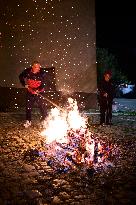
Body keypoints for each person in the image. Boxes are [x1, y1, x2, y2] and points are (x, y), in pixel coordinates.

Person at [19, 60, 47, 128]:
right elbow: (20, 76)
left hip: (39, 92)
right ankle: (28, 121)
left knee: (42, 107)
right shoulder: (27, 71)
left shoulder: (42, 73)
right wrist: (24, 84)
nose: (38, 69)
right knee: (28, 107)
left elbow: (44, 84)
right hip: (30, 92)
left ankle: (44, 121)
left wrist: (38, 90)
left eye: (39, 67)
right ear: (32, 67)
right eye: (36, 67)